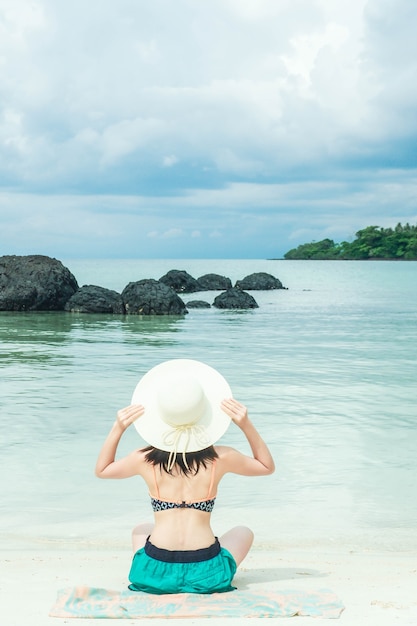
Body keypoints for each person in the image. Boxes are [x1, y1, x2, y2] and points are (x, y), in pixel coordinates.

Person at [95, 359, 275, 595]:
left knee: (142, 528)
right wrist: (246, 424)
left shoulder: (144, 458)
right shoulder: (221, 457)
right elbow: (266, 466)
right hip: (208, 574)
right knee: (244, 532)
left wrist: (118, 427)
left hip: (152, 575)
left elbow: (103, 470)